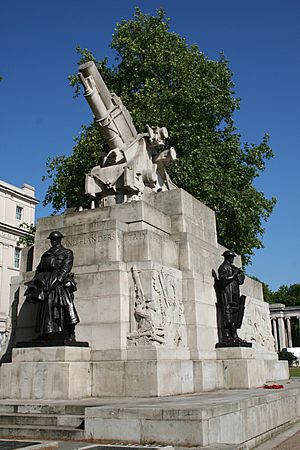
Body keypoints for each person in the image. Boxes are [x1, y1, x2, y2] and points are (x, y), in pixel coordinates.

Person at [24, 231, 79, 343]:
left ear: (60, 240)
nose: (53, 241)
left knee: (66, 307)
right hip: (45, 282)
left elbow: (65, 269)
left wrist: (56, 281)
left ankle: (70, 334)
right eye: (52, 239)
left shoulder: (66, 252)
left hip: (59, 283)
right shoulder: (46, 254)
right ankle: (45, 334)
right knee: (45, 311)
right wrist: (38, 282)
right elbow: (39, 269)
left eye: (55, 239)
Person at [216, 250, 247, 345]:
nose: (233, 259)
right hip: (227, 293)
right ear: (227, 257)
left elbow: (240, 281)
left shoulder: (233, 268)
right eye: (232, 257)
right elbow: (224, 280)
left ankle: (235, 335)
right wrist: (234, 275)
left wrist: (240, 274)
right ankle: (228, 336)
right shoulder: (223, 267)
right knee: (228, 313)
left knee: (235, 314)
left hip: (234, 292)